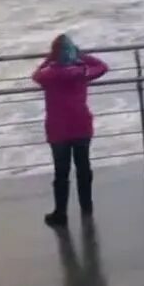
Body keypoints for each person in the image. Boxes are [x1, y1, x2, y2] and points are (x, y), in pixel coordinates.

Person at [32, 35, 108, 227]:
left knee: (61, 173)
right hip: (81, 124)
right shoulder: (82, 72)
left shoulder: (48, 75)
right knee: (83, 168)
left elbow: (36, 75)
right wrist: (82, 55)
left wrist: (49, 59)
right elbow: (102, 66)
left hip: (58, 129)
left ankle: (61, 212)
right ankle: (86, 206)